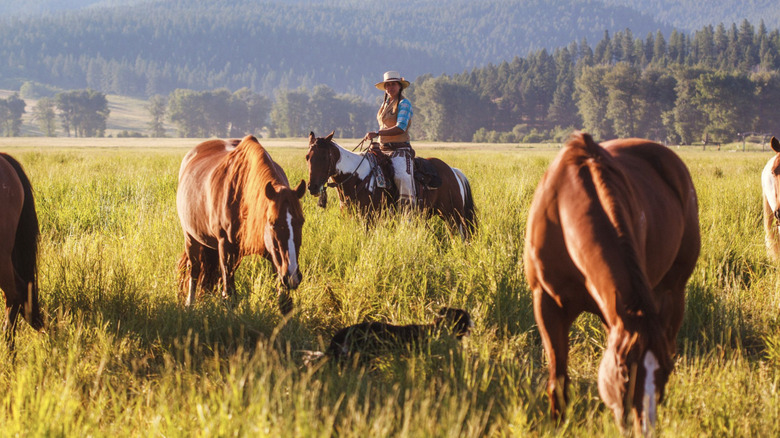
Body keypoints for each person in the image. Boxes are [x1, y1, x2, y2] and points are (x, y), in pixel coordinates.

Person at [366, 71, 416, 208]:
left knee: (402, 177)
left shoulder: (404, 103)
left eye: (393, 84)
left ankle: (408, 212)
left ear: (400, 86)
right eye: (387, 85)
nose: (390, 88)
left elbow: (401, 127)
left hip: (399, 149)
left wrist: (377, 133)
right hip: (383, 149)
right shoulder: (384, 105)